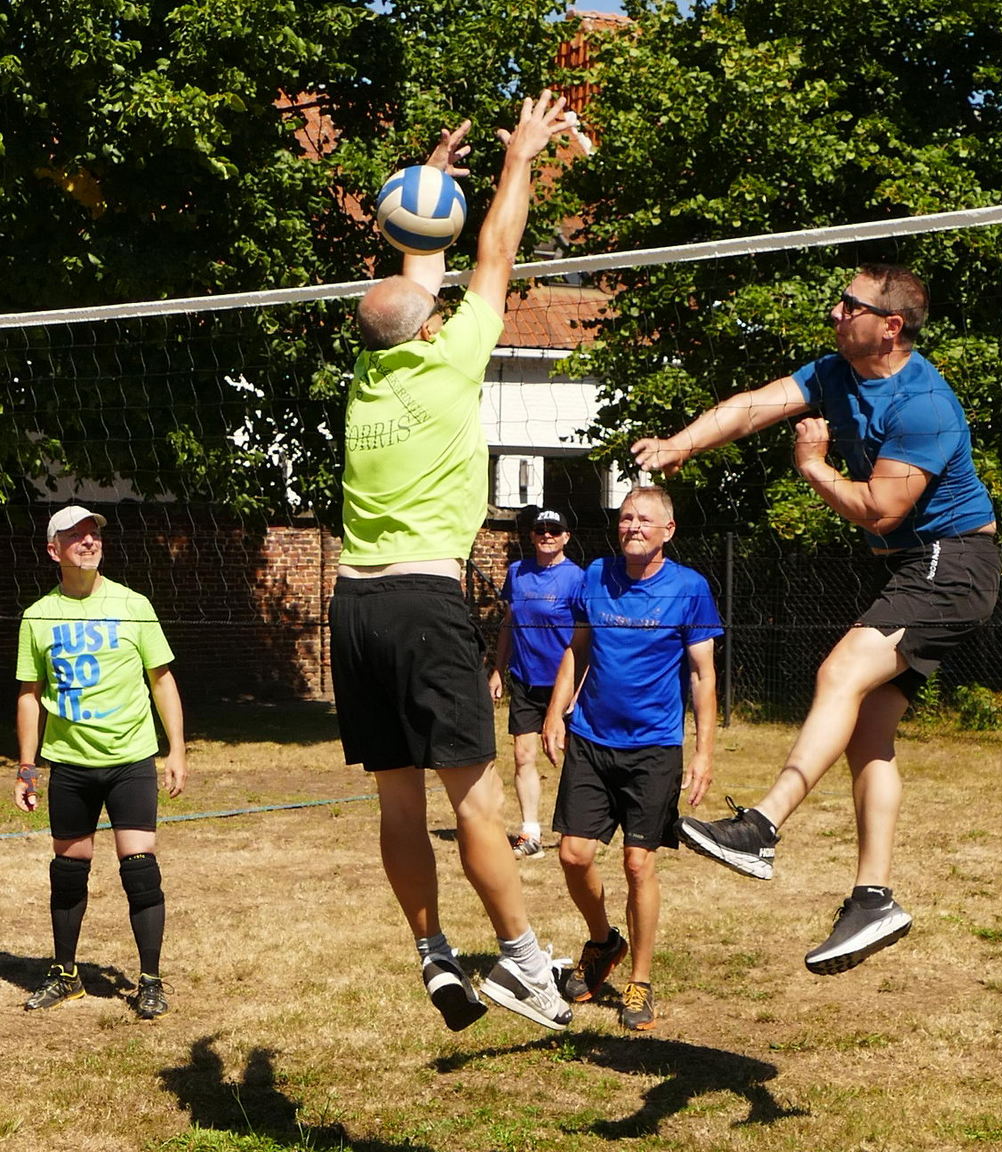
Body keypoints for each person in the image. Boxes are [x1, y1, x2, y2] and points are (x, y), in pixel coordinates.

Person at [631, 265, 999, 975]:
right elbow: (752, 407)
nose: (833, 312)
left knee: (839, 672)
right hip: (916, 566)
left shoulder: (923, 403)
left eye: (849, 305)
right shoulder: (835, 371)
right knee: (868, 732)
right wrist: (680, 444)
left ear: (890, 326)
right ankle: (873, 899)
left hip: (952, 563)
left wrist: (813, 467)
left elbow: (880, 510)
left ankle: (761, 828)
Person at [329, 92, 575, 1033]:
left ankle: (432, 949)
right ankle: (522, 962)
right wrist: (520, 158)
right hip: (425, 602)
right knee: (475, 796)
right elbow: (497, 251)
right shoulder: (448, 360)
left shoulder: (369, 373)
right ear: (431, 327)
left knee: (398, 799)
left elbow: (413, 284)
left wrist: (425, 194)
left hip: (354, 605)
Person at [541, 487, 721, 1030]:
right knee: (573, 856)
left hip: (654, 748)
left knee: (638, 863)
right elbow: (578, 648)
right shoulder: (595, 576)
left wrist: (703, 751)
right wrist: (556, 711)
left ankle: (640, 982)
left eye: (644, 519)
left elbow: (702, 675)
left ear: (669, 530)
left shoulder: (690, 588)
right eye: (625, 517)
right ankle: (603, 942)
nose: (633, 526)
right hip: (592, 739)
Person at [13, 506, 188, 1019]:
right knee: (68, 873)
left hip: (130, 758)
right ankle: (66, 975)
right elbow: (29, 695)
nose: (89, 542)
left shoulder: (134, 605)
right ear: (54, 550)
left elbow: (162, 680)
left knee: (140, 870)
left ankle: (150, 981)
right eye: (76, 536)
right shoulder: (37, 616)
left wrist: (176, 748)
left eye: (93, 534)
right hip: (69, 763)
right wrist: (26, 768)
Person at [489, 507, 583, 859]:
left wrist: (579, 688)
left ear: (566, 537)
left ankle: (578, 830)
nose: (547, 535)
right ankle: (530, 834)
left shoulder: (578, 579)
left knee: (574, 757)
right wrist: (498, 670)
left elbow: (587, 638)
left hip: (565, 684)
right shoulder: (517, 572)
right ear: (531, 536)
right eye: (541, 529)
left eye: (554, 530)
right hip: (526, 680)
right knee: (523, 755)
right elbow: (508, 624)